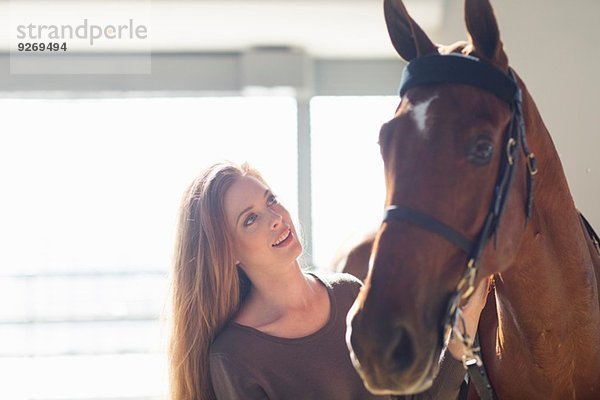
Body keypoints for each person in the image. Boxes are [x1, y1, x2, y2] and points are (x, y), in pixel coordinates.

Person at [169, 161, 489, 400]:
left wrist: (465, 322)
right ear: (227, 252)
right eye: (251, 219)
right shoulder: (235, 357)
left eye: (271, 200)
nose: (276, 218)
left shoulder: (351, 292)